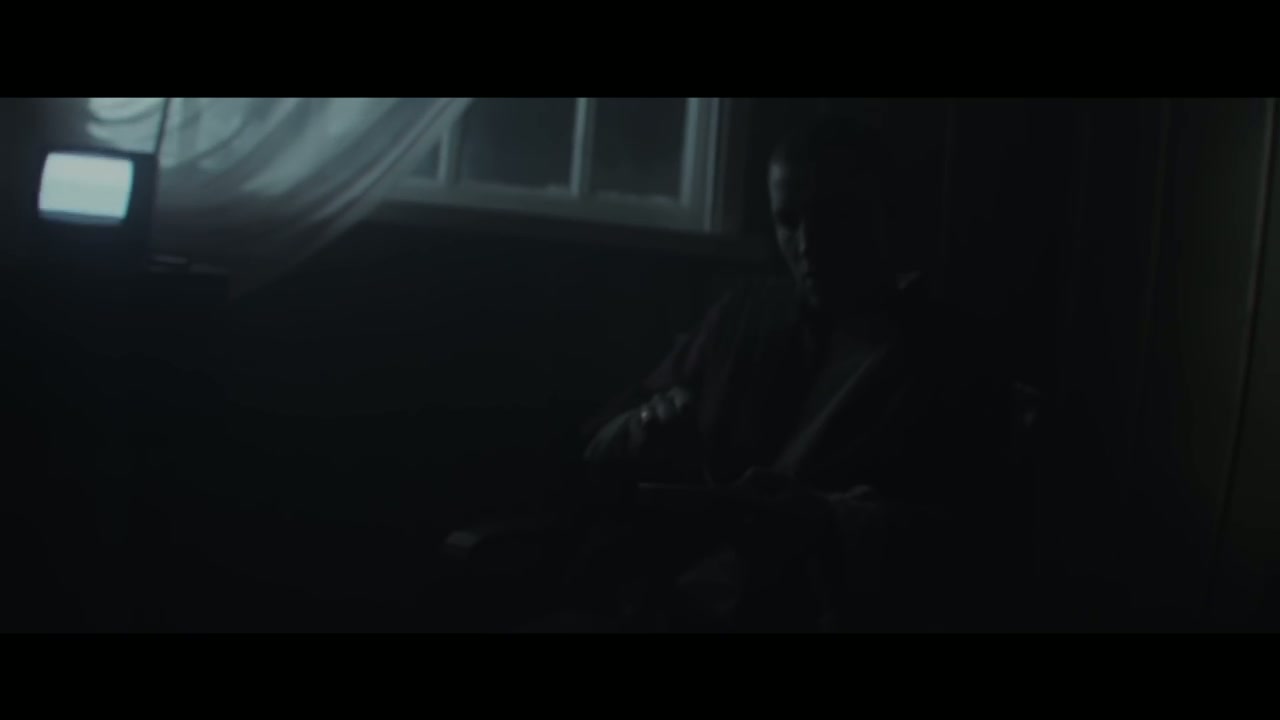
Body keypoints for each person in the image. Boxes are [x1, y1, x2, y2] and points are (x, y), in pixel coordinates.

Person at [578, 116, 1028, 632]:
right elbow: (602, 434)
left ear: (890, 215)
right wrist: (643, 426)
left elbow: (976, 544)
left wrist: (829, 522)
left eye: (836, 218)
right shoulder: (743, 316)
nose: (808, 243)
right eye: (788, 221)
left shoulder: (952, 358)